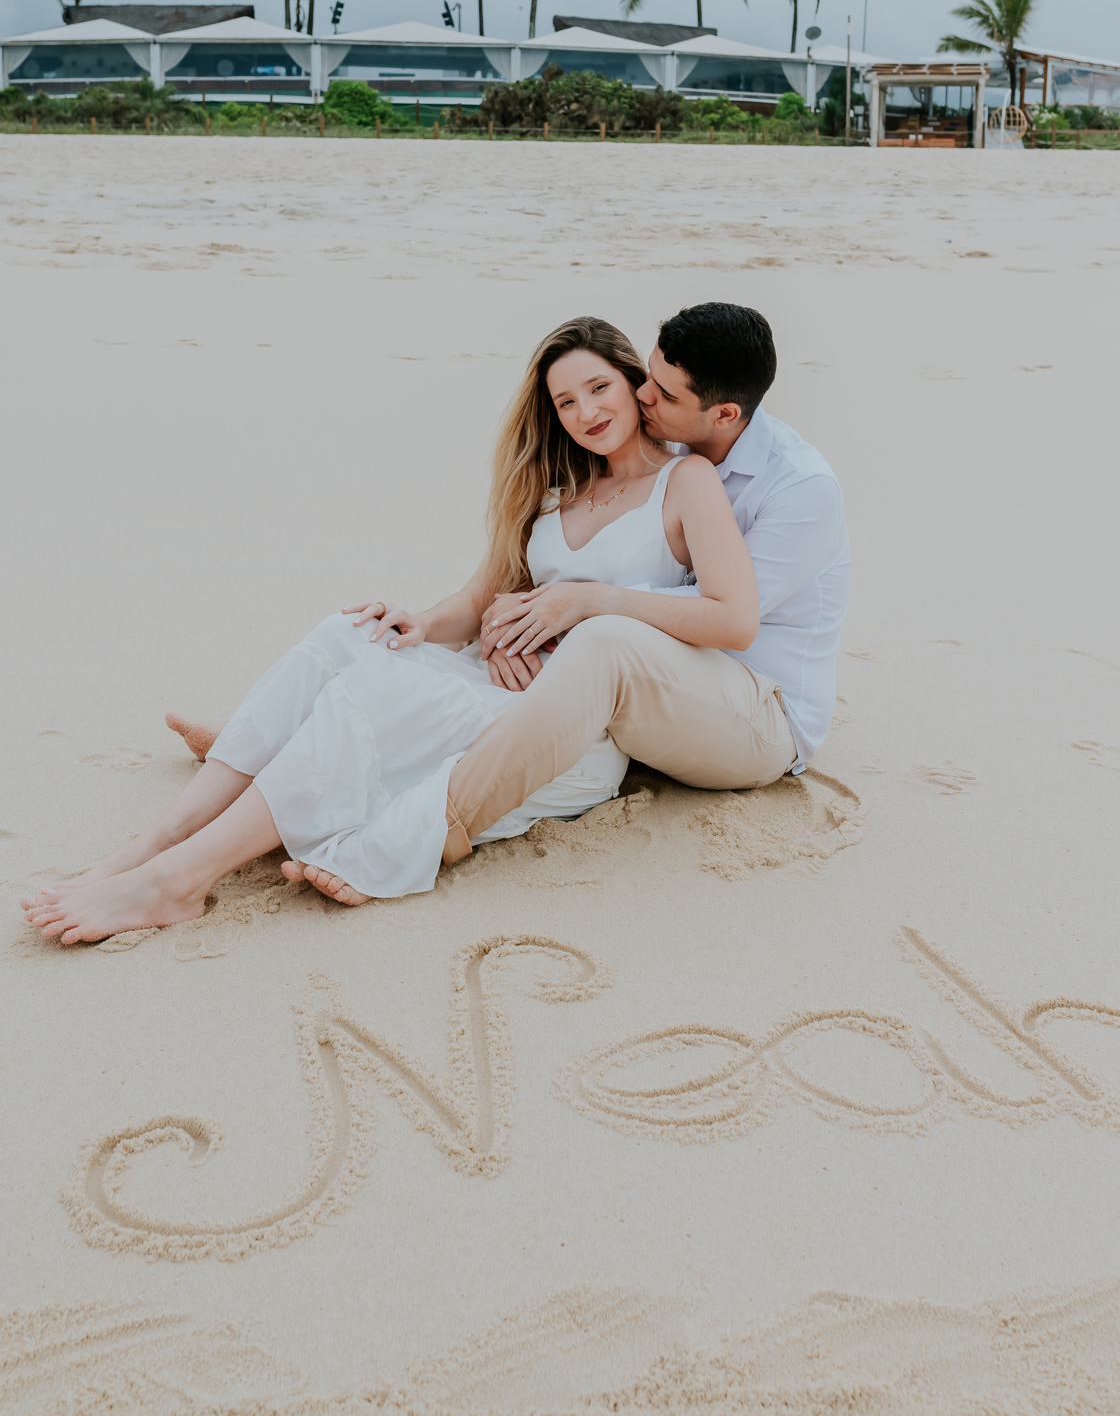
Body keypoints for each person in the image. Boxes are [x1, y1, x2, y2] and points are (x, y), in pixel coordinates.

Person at [23, 318, 760, 944]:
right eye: (565, 401)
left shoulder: (683, 481)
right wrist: (420, 621)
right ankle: (158, 838)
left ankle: (176, 881)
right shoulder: (554, 494)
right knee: (350, 636)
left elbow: (732, 618)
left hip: (559, 722)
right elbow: (478, 598)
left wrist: (590, 601)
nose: (585, 412)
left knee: (370, 697)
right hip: (486, 674)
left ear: (633, 383)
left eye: (599, 388)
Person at [436, 301, 851, 861]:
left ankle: (441, 828)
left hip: (759, 716)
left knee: (602, 641)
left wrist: (582, 604)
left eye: (666, 393)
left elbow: (728, 619)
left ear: (725, 414)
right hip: (659, 686)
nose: (644, 395)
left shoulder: (801, 491)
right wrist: (513, 613)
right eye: (651, 375)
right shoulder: (668, 439)